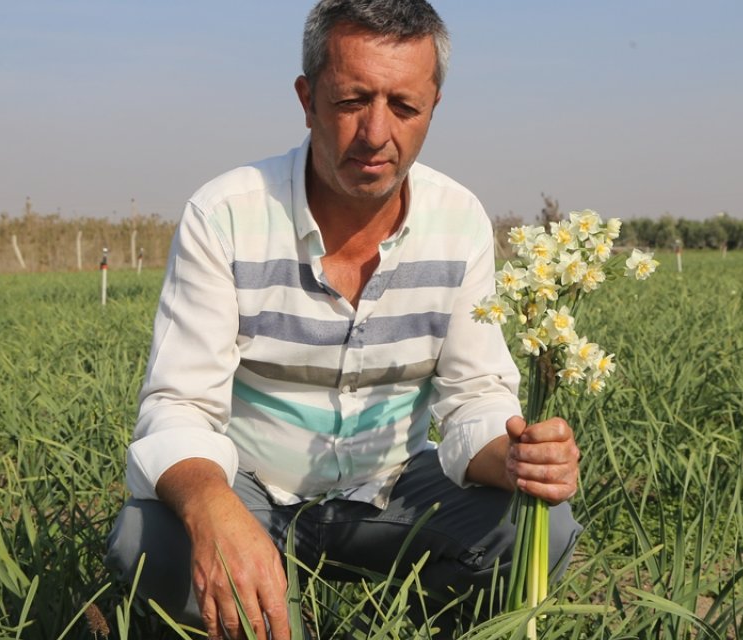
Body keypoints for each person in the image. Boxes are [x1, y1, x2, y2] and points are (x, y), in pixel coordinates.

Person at [105, 1, 581, 638]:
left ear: (434, 106)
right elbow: (179, 404)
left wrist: (518, 456)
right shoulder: (226, 215)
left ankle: (413, 623)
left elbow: (474, 398)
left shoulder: (459, 220)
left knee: (540, 527)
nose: (377, 132)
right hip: (254, 491)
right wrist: (212, 504)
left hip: (394, 491)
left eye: (405, 107)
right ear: (307, 99)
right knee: (146, 542)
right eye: (353, 100)